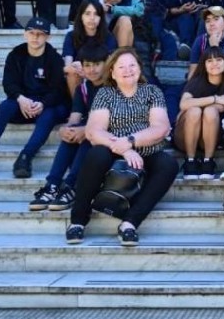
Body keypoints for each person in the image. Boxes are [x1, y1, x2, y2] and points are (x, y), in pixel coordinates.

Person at [65, 48, 178, 246]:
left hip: (146, 150)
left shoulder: (152, 91)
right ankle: (78, 220)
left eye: (132, 65)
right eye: (122, 67)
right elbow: (93, 131)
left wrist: (132, 141)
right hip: (112, 149)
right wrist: (124, 148)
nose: (128, 70)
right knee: (96, 155)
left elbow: (161, 127)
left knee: (168, 164)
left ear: (140, 69)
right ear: (113, 73)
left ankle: (130, 223)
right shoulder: (105, 93)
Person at [0, 17, 68, 179]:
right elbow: (9, 83)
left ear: (48, 37)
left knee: (50, 114)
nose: (35, 37)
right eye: (31, 33)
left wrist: (43, 104)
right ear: (25, 35)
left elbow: (58, 90)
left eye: (40, 34)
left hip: (46, 106)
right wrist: (20, 98)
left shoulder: (54, 59)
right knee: (4, 107)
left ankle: (25, 158)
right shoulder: (16, 55)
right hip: (23, 103)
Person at [28, 43, 110, 212]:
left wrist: (86, 130)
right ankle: (52, 185)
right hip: (91, 129)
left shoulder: (113, 87)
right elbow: (75, 116)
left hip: (109, 135)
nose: (92, 69)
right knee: (71, 134)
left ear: (106, 63)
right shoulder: (83, 88)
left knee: (89, 137)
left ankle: (72, 186)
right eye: (87, 65)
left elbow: (114, 121)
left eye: (96, 64)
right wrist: (66, 129)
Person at [174, 46, 224, 180]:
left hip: (211, 135)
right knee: (194, 111)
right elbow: (183, 104)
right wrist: (215, 98)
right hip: (185, 135)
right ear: (204, 65)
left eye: (218, 60)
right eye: (209, 61)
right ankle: (190, 161)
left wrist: (201, 103)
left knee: (210, 112)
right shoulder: (197, 81)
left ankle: (208, 161)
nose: (214, 64)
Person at [61, 0, 118, 96]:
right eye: (87, 13)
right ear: (81, 17)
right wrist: (76, 68)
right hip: (79, 75)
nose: (92, 18)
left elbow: (111, 63)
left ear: (100, 18)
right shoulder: (71, 36)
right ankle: (77, 108)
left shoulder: (108, 37)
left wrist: (92, 71)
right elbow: (67, 65)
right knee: (72, 74)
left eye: (96, 14)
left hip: (100, 74)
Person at [188, 6, 224, 75]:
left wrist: (215, 47)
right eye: (208, 21)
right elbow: (192, 72)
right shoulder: (200, 41)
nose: (211, 24)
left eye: (216, 19)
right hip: (204, 82)